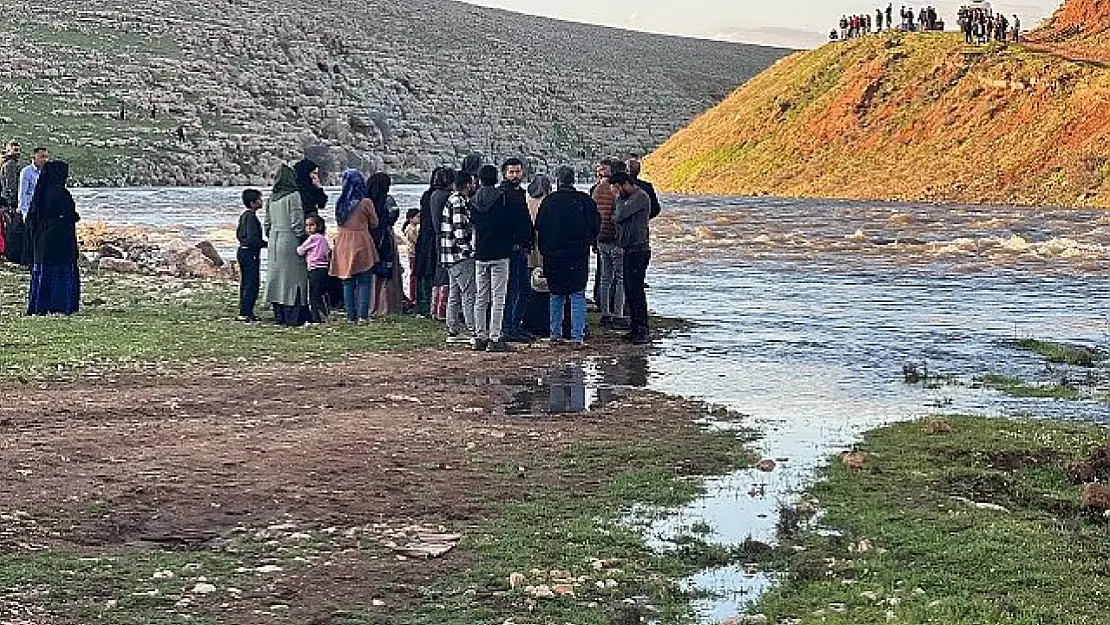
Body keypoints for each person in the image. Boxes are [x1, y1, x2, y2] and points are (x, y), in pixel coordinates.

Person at [535, 166, 600, 346]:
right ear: (573, 179)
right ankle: (577, 336)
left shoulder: (549, 202)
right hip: (577, 254)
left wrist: (545, 249)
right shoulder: (584, 201)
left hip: (553, 255)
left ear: (558, 180)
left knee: (555, 294)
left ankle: (555, 333)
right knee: (577, 294)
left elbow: (540, 228)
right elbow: (596, 225)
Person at [25, 160, 80, 316]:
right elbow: (70, 214)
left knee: (42, 271)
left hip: (43, 237)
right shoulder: (60, 193)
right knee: (60, 271)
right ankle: (60, 305)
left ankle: (39, 305)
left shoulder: (41, 192)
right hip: (60, 238)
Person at [470, 164, 515, 352]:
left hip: (481, 253)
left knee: (481, 296)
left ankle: (480, 335)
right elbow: (509, 224)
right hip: (500, 252)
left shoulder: (473, 200)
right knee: (498, 297)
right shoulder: (503, 198)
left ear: (479, 180)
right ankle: (495, 337)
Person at [330, 168, 379, 324]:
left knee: (347, 281)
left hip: (342, 242)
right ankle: (363, 316)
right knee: (364, 280)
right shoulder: (365, 202)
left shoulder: (340, 202)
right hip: (361, 241)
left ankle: (350, 316)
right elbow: (374, 222)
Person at [264, 165, 310, 326]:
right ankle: (294, 314)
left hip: (274, 240)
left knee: (277, 277)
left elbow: (267, 223)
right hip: (289, 238)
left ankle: (279, 313)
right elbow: (296, 220)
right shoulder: (293, 196)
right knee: (294, 277)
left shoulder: (272, 197)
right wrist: (303, 237)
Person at [609, 171, 652, 345]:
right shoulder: (631, 198)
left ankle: (642, 328)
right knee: (630, 289)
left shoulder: (640, 197)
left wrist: (618, 198)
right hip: (629, 249)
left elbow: (619, 216)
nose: (616, 192)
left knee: (636, 291)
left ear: (626, 184)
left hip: (638, 249)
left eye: (618, 188)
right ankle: (635, 327)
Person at [440, 170, 478, 343]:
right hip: (459, 256)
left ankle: (452, 329)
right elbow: (459, 231)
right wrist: (469, 250)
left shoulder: (452, 200)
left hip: (450, 256)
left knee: (454, 293)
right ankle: (473, 330)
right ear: (468, 184)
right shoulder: (459, 202)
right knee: (469, 293)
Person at [592, 160, 627, 330]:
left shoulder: (597, 189)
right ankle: (618, 314)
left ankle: (605, 313)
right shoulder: (615, 191)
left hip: (601, 238)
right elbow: (618, 216)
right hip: (614, 239)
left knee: (605, 277)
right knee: (620, 278)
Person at [368, 172, 404, 316]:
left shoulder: (365, 201)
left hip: (369, 238)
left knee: (371, 273)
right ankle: (388, 306)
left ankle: (371, 305)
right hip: (385, 237)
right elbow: (393, 217)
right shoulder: (388, 200)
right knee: (388, 272)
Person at [414, 167, 446, 316]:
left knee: (424, 270)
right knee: (431, 270)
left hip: (426, 235)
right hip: (433, 236)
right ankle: (429, 305)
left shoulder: (427, 195)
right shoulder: (439, 196)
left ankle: (424, 304)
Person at [236, 188, 266, 322]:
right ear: (253, 203)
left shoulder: (244, 215)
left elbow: (239, 234)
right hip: (250, 252)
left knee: (245, 281)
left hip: (243, 251)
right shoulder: (251, 217)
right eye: (260, 199)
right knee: (252, 282)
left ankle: (245, 310)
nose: (262, 202)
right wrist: (266, 244)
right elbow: (253, 238)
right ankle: (246, 312)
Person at [298, 214, 331, 324]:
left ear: (319, 226)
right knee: (320, 292)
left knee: (313, 294)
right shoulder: (323, 239)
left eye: (311, 225)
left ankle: (317, 316)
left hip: (314, 268)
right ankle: (324, 313)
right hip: (324, 268)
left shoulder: (313, 238)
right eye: (307, 225)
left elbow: (301, 250)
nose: (308, 228)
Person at [19, 147, 48, 219]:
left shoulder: (47, 172)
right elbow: (22, 193)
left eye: (46, 157)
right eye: (42, 157)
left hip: (43, 211)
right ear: (34, 158)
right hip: (30, 211)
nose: (45, 160)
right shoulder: (26, 172)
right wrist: (24, 213)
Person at [402, 208, 420, 308]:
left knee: (413, 274)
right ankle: (413, 297)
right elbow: (416, 241)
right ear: (411, 218)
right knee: (413, 275)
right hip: (413, 254)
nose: (419, 218)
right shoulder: (411, 229)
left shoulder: (411, 228)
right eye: (417, 217)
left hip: (411, 253)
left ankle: (413, 296)